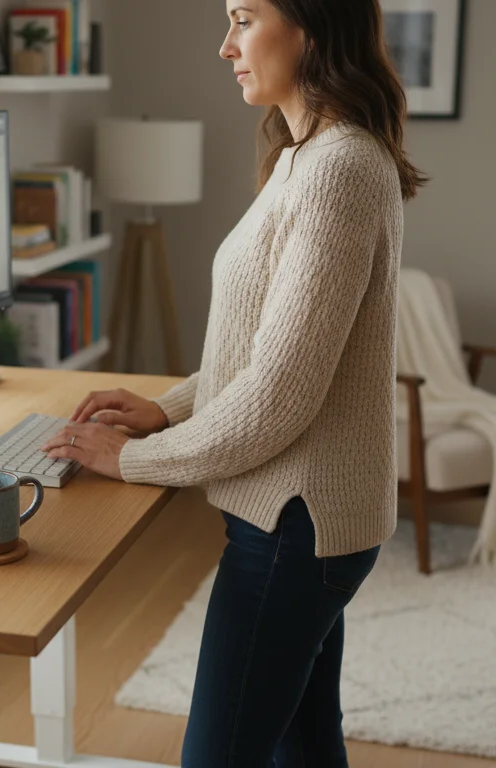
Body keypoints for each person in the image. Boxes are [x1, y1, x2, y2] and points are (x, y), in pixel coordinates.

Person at [41, 0, 423, 763]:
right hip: (301, 516)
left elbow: (280, 395)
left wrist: (131, 460)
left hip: (295, 520)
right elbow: (266, 349)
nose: (225, 46)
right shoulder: (301, 155)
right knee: (305, 746)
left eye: (244, 18)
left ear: (312, 25)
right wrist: (165, 409)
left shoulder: (339, 168)